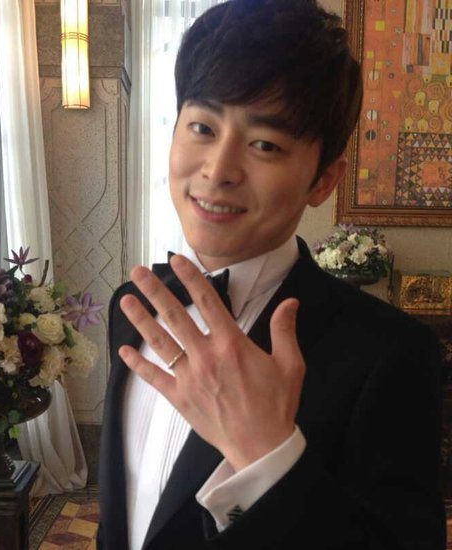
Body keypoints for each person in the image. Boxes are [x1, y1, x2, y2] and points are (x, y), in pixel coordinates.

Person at [97, 1, 446, 548]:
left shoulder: (391, 355)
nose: (218, 169)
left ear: (323, 181)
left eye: (265, 144)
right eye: (202, 126)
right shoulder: (134, 306)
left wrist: (267, 456)